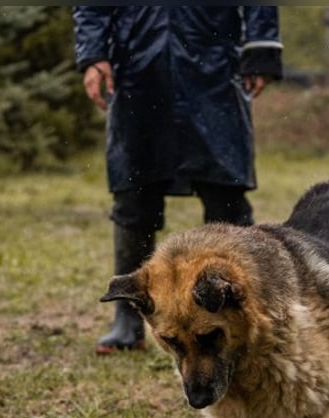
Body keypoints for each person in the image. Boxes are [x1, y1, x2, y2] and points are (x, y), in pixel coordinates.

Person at [73, 7, 283, 354]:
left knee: (226, 196)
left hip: (213, 63)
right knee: (133, 194)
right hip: (137, 63)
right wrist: (94, 55)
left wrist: (260, 50)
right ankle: (128, 316)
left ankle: (247, 309)